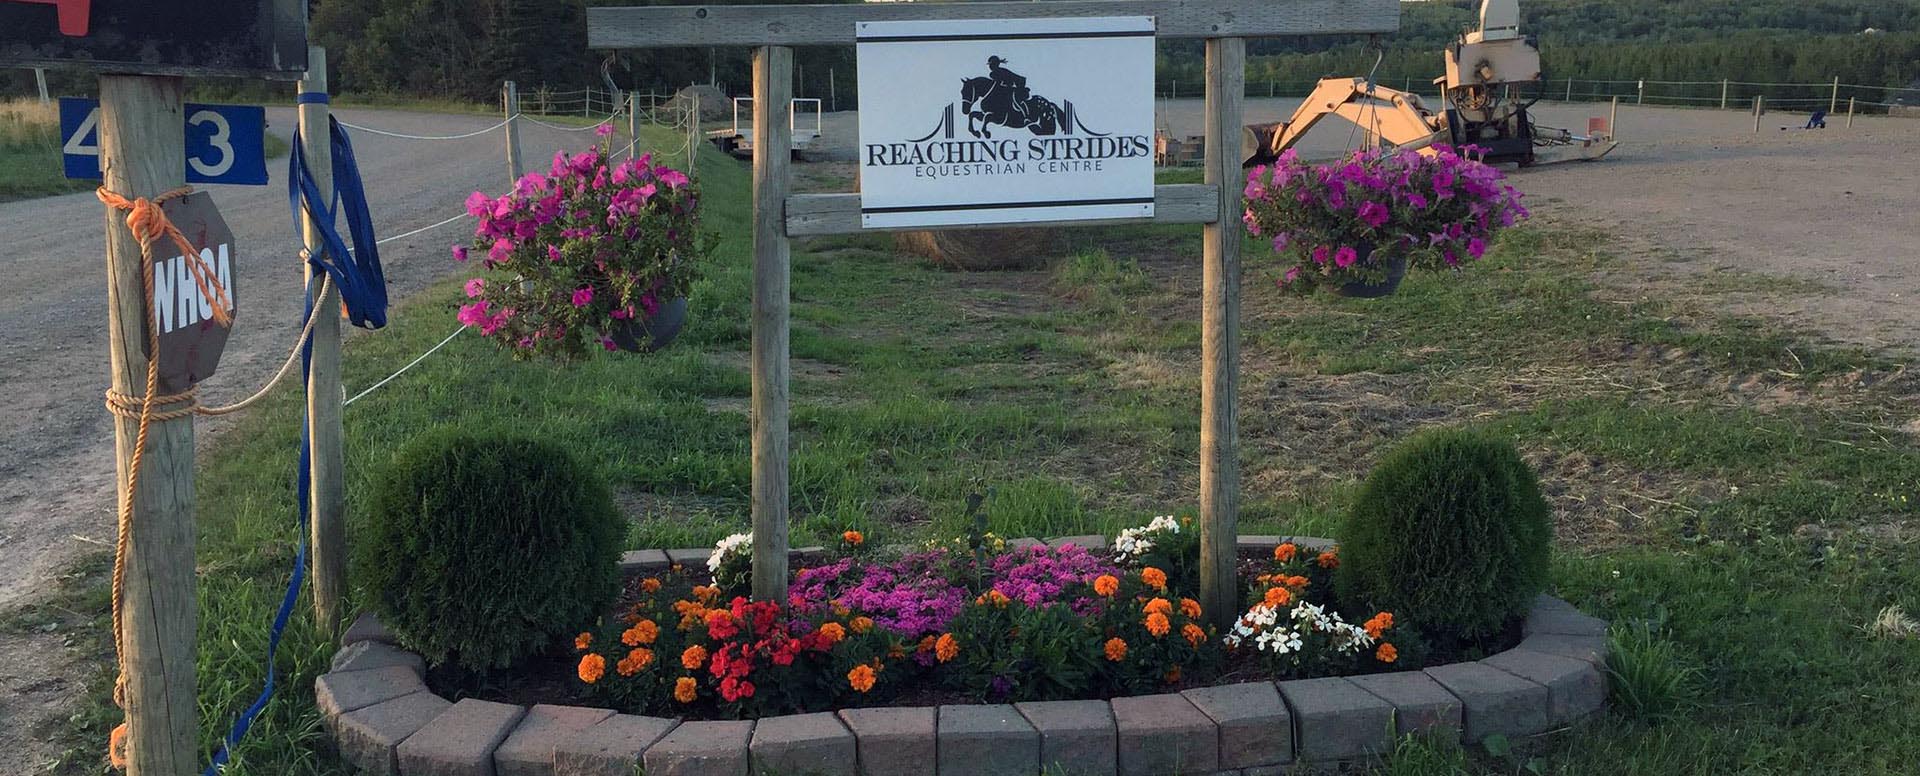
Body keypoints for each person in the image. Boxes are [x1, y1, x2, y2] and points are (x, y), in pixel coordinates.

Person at [987, 56, 1031, 120]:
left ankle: (1026, 117)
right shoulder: (993, 73)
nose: (990, 66)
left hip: (1018, 85)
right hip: (1011, 87)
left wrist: (1003, 86)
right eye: (990, 64)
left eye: (991, 64)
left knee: (1016, 100)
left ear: (995, 64)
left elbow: (1009, 82)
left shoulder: (999, 71)